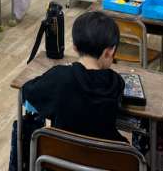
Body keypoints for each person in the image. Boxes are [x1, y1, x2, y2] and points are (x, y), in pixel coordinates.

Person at [9, 11, 125, 170]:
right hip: (105, 163)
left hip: (60, 161)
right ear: (110, 51)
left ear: (75, 47)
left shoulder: (60, 76)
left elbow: (27, 93)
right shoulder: (116, 82)